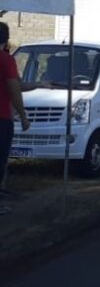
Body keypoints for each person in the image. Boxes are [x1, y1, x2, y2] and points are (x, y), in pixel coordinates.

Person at [0, 22, 31, 215]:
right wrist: (23, 115)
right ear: (6, 40)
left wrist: (41, 83)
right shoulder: (6, 60)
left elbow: (19, 85)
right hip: (2, 118)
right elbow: (14, 88)